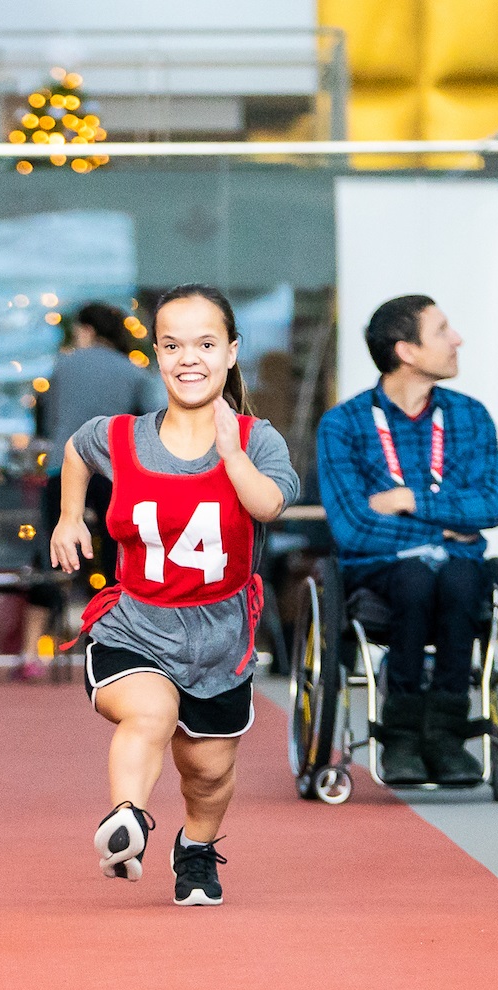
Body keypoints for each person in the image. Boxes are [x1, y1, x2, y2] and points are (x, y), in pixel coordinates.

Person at [51, 284, 296, 907]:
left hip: (220, 635)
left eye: (206, 344)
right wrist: (68, 518)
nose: (190, 358)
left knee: (208, 773)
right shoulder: (124, 436)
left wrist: (232, 454)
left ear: (232, 353)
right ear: (157, 355)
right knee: (149, 714)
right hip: (136, 623)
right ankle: (126, 819)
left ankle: (195, 849)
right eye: (173, 345)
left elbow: (269, 503)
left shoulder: (259, 440)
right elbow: (78, 448)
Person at [316, 297, 498, 787]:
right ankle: (400, 735)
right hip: (382, 573)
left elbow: (490, 505)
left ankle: (445, 735)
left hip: (458, 568)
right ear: (406, 350)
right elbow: (353, 528)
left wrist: (407, 499)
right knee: (415, 577)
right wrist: (444, 525)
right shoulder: (344, 425)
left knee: (465, 580)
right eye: (443, 330)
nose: (457, 339)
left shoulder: (470, 417)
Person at [16, 302, 163, 680]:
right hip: (118, 473)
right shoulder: (132, 371)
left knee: (54, 556)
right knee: (120, 557)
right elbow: (152, 421)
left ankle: (32, 653)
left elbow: (45, 419)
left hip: (63, 468)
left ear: (86, 330)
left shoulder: (62, 366)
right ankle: (121, 645)